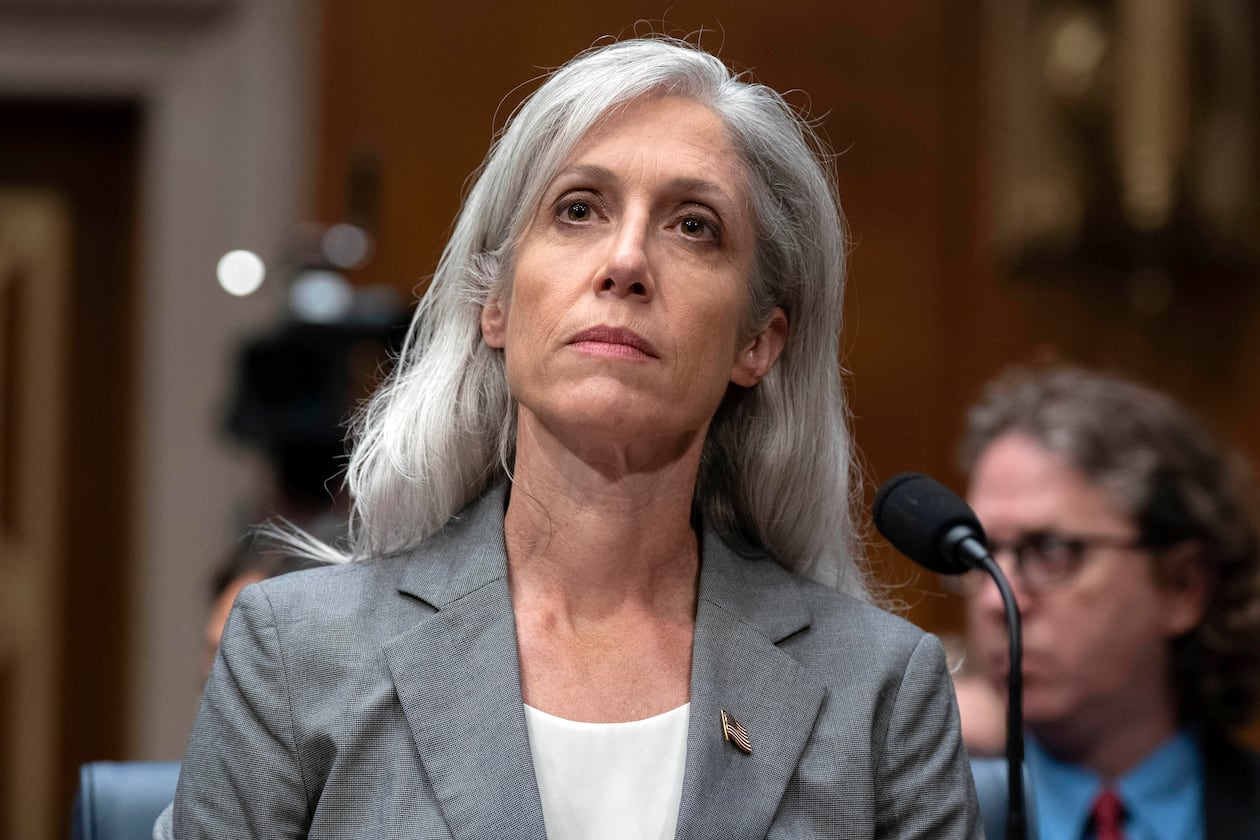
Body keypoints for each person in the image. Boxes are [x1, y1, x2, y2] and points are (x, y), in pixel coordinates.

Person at [157, 36, 980, 838]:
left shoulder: (879, 690)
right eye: (578, 210)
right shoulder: (297, 653)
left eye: (694, 226)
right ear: (497, 306)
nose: (625, 262)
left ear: (757, 343)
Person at [957, 365, 1260, 839]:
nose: (999, 600)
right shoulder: (924, 804)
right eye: (982, 554)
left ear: (1183, 587)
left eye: (1052, 552)